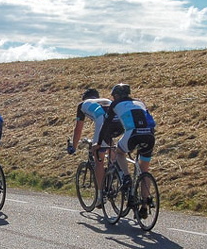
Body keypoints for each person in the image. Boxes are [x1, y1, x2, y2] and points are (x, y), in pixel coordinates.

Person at [102, 83, 156, 217]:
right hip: (149, 135)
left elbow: (106, 125)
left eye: (114, 96)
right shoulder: (140, 102)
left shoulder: (115, 104)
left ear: (117, 95)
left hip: (132, 134)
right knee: (144, 170)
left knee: (119, 151)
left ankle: (126, 177)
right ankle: (144, 204)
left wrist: (99, 142)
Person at [67, 88, 112, 202]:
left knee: (98, 157)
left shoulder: (83, 105)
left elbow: (78, 129)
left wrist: (74, 147)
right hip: (118, 122)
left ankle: (100, 196)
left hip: (102, 122)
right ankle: (117, 172)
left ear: (85, 98)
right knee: (112, 149)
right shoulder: (105, 100)